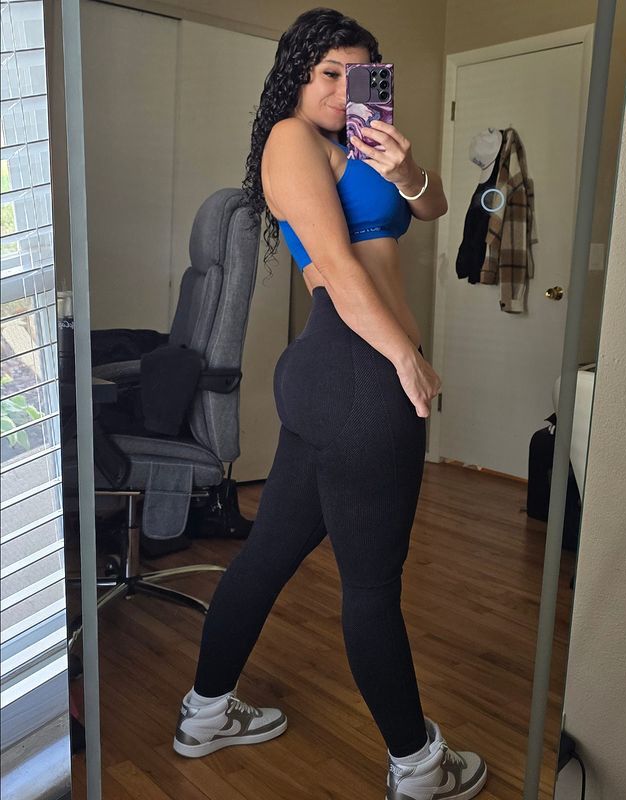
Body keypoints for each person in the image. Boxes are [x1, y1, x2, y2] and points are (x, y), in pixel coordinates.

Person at [173, 8, 487, 800]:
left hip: (333, 379)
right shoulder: (291, 140)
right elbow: (340, 269)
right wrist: (406, 358)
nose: (344, 91)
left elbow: (433, 209)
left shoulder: (362, 145)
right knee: (372, 587)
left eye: (358, 76)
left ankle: (205, 714)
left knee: (269, 555)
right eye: (328, 74)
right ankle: (420, 767)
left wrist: (406, 169)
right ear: (297, 76)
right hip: (359, 373)